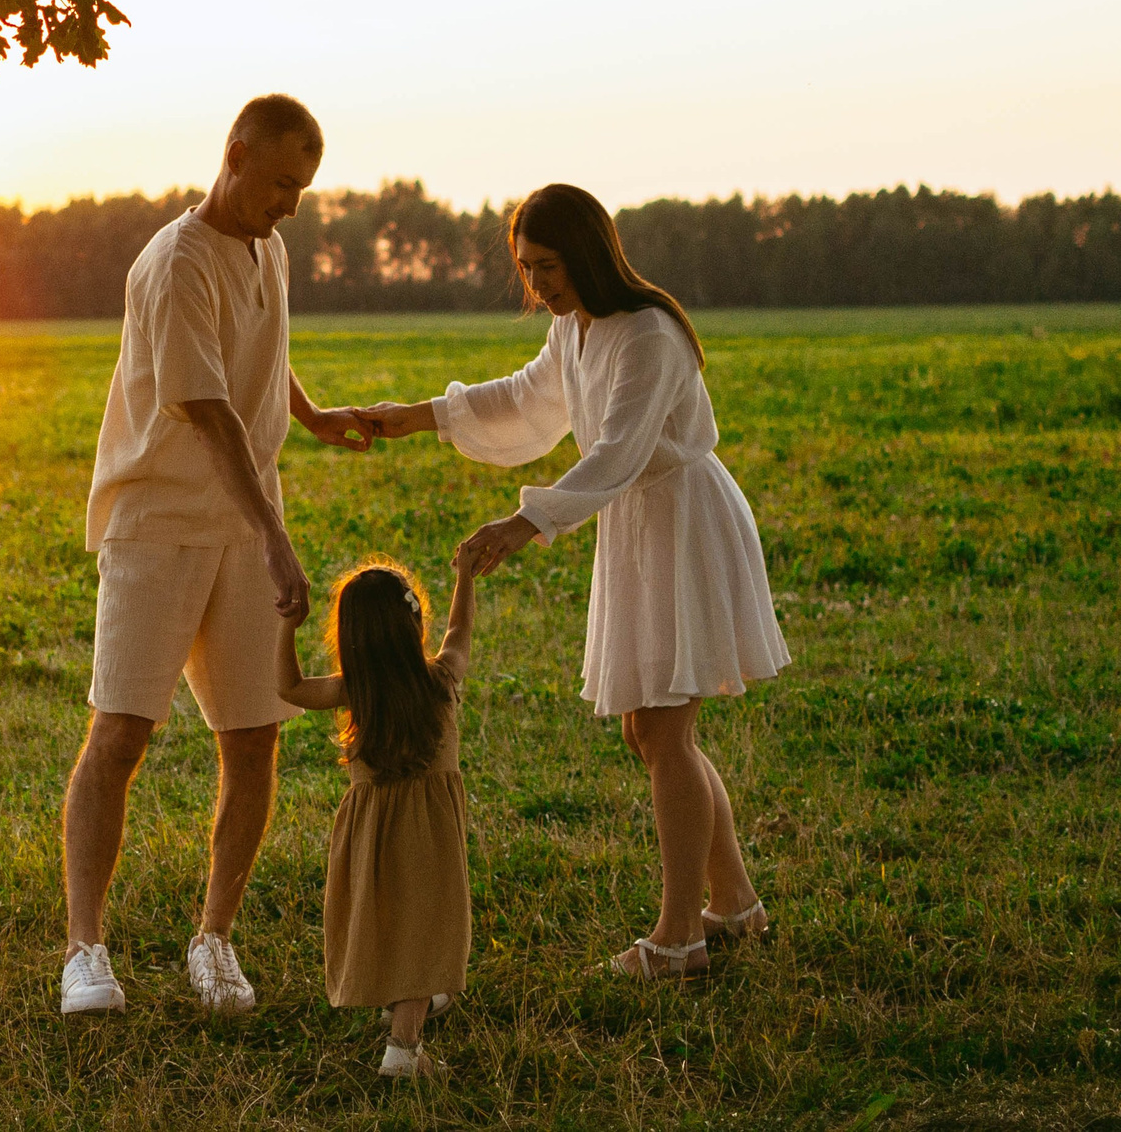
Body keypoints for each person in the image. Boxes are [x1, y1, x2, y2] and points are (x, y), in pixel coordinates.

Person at [354, 183, 790, 980]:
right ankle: (735, 904)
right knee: (653, 733)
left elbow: (619, 451)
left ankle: (678, 937)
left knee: (663, 734)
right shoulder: (574, 328)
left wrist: (526, 523)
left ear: (589, 251)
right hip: (634, 525)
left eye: (548, 265)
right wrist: (416, 414)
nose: (538, 284)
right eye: (526, 268)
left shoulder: (649, 333)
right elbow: (526, 400)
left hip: (681, 520)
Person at [60, 93, 373, 1017]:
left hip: (245, 518)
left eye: (304, 188)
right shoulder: (174, 263)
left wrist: (309, 415)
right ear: (234, 155)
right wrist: (276, 539)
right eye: (282, 182)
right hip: (159, 522)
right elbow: (207, 407)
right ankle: (86, 951)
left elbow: (256, 353)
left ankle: (215, 941)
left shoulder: (265, 246)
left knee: (255, 736)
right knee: (121, 733)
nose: (293, 204)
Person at [275, 554, 478, 1081]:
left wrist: (286, 628)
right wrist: (464, 578)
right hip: (430, 838)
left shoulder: (353, 690)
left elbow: (290, 688)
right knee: (426, 933)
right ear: (414, 623)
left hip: (373, 836)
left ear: (350, 636)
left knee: (392, 922)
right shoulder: (441, 679)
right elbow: (459, 632)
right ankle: (403, 1051)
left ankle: (410, 1002)